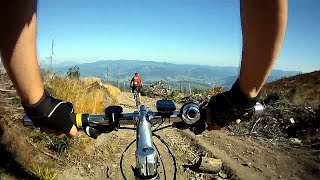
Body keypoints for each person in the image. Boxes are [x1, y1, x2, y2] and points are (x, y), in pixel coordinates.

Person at [0, 0, 288, 136]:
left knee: (137, 96)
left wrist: (39, 105)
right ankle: (137, 101)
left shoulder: (137, 77)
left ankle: (137, 100)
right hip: (139, 92)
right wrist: (243, 97)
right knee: (136, 97)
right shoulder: (136, 78)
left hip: (136, 91)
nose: (136, 79)